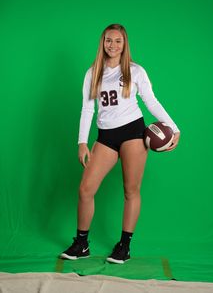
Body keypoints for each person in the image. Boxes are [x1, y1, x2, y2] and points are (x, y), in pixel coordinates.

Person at [60, 23, 180, 264]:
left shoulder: (135, 71)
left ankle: (124, 246)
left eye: (118, 41)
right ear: (102, 43)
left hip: (133, 132)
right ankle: (82, 243)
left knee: (131, 190)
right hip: (105, 136)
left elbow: (151, 102)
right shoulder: (93, 72)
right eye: (108, 40)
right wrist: (82, 142)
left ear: (125, 45)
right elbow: (87, 108)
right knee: (85, 189)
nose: (112, 45)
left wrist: (174, 128)